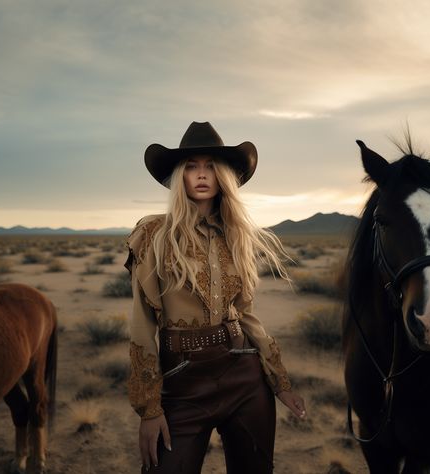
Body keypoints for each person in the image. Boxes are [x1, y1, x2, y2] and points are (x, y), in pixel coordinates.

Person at [124, 122, 306, 474]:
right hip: (182, 381)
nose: (202, 174)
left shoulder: (237, 235)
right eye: (191, 166)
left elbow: (247, 315)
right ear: (180, 176)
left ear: (223, 175)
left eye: (210, 166)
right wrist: (149, 409)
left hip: (244, 378)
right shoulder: (153, 233)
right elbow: (142, 323)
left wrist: (279, 381)